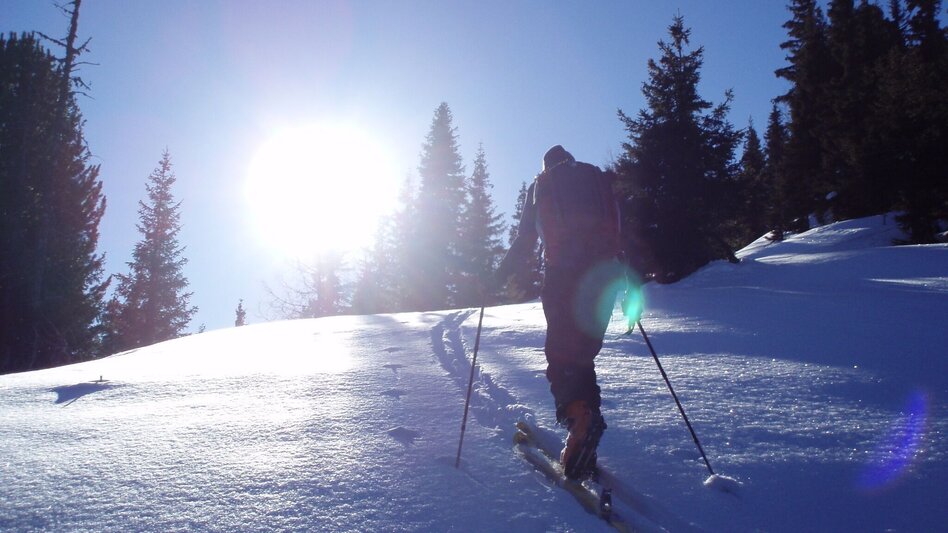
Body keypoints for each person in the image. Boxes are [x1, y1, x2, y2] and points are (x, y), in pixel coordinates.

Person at [497, 145, 637, 480]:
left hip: (563, 275)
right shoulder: (596, 181)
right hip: (605, 277)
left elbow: (526, 237)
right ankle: (583, 430)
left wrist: (498, 276)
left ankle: (579, 420)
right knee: (582, 356)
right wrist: (631, 279)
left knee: (561, 357)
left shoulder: (543, 184)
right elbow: (623, 232)